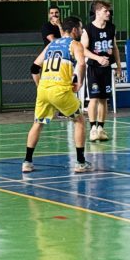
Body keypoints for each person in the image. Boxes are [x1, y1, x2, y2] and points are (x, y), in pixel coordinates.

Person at [23, 16, 91, 173]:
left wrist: (40, 85)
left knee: (38, 123)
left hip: (44, 89)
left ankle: (27, 162)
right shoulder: (75, 44)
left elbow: (34, 68)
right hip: (60, 89)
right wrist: (79, 82)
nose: (81, 31)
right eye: (80, 28)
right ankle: (80, 162)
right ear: (74, 30)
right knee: (79, 120)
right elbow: (81, 64)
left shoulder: (51, 44)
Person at [82, 0, 121, 141]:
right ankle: (93, 128)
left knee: (104, 100)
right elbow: (83, 49)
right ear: (98, 12)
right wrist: (97, 58)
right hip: (93, 68)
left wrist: (118, 65)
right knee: (94, 98)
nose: (108, 13)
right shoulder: (88, 29)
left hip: (107, 69)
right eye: (106, 11)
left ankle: (101, 128)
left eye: (109, 11)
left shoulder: (111, 28)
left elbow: (115, 47)